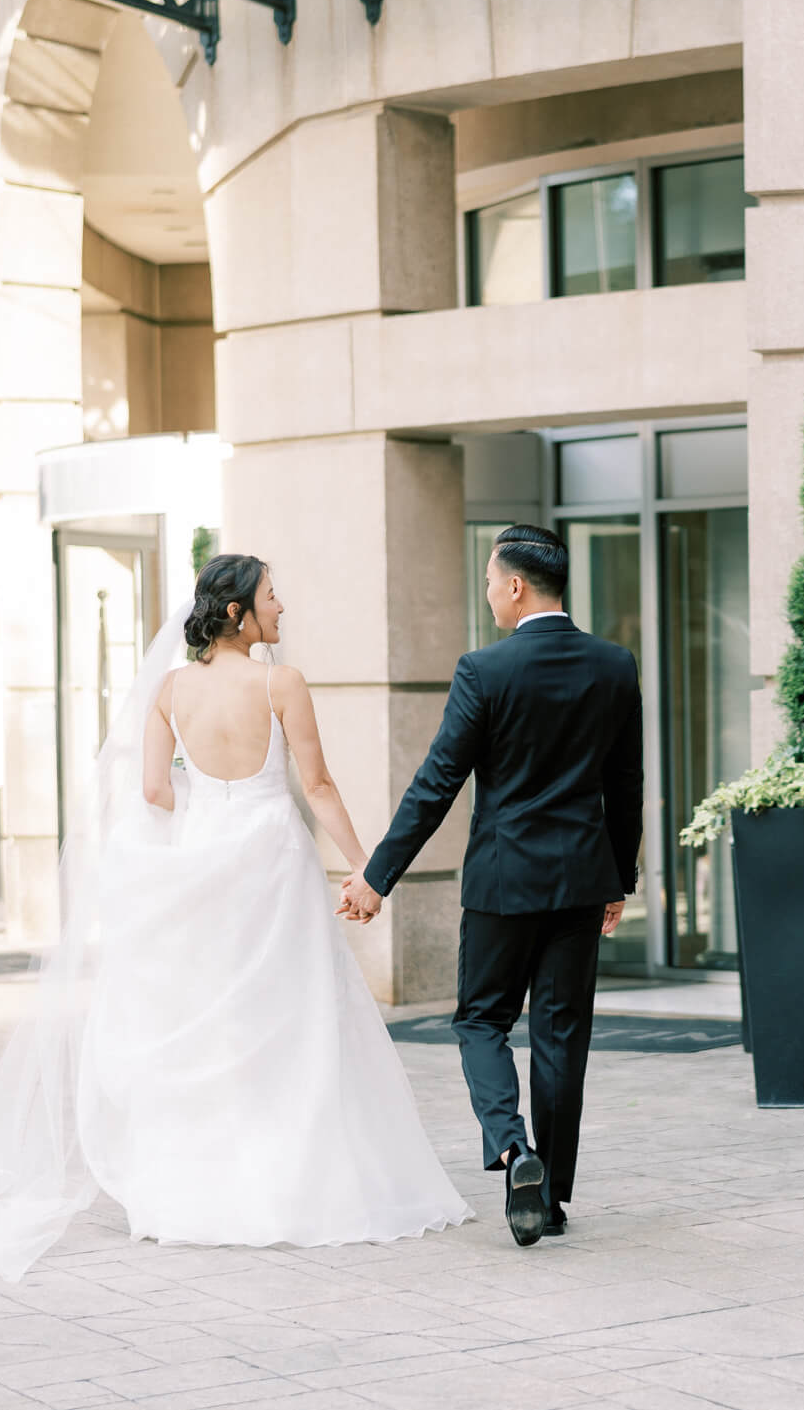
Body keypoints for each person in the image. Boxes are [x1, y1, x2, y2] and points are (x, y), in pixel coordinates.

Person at [0, 555, 469, 1282]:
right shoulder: (282, 682)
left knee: (215, 1028)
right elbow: (315, 783)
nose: (282, 608)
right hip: (273, 866)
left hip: (202, 868)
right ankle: (290, 1181)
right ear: (237, 613)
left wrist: (205, 809)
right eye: (272, 597)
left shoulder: (170, 689)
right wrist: (365, 869)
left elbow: (154, 790)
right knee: (292, 1023)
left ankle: (204, 1190)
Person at [339, 524, 643, 1247]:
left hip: (503, 882)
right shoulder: (613, 664)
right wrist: (619, 877)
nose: (486, 594)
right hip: (579, 880)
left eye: (487, 581)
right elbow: (626, 785)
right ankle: (556, 1199)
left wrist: (377, 877)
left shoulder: (485, 671)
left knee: (480, 1020)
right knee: (561, 1036)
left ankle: (515, 1152)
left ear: (515, 586)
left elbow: (436, 784)